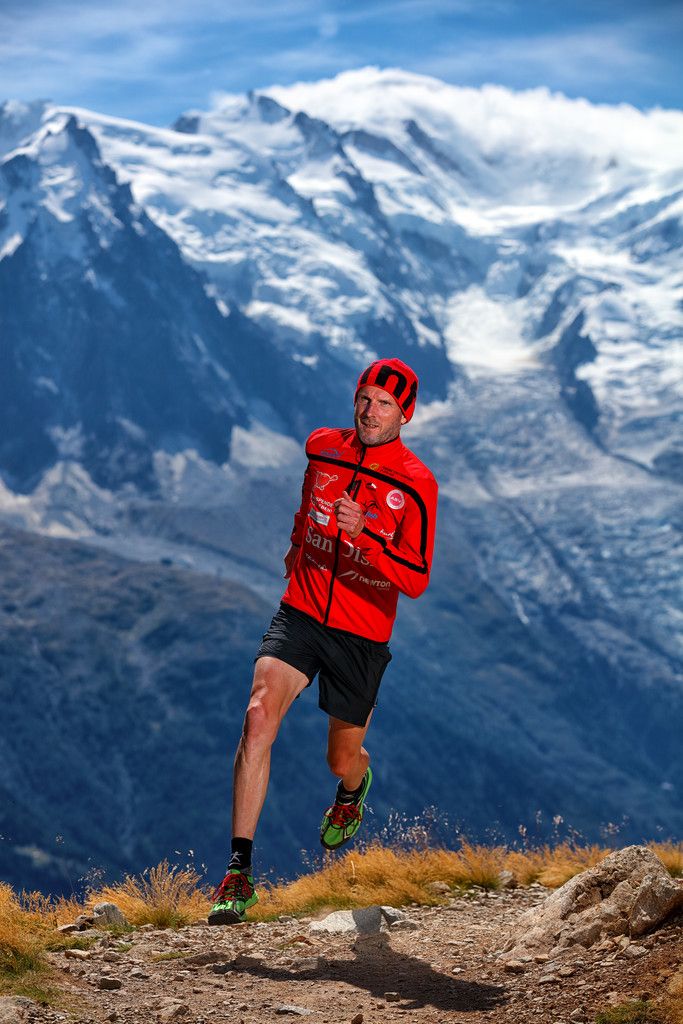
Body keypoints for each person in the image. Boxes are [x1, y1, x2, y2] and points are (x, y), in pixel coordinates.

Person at [208, 357, 438, 925]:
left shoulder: (416, 482)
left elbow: (416, 578)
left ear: (404, 413)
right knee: (259, 714)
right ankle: (239, 872)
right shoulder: (321, 447)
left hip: (361, 634)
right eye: (363, 397)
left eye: (383, 403)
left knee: (340, 758)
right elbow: (304, 507)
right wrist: (295, 550)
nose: (369, 410)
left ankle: (354, 786)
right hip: (303, 609)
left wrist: (367, 541)